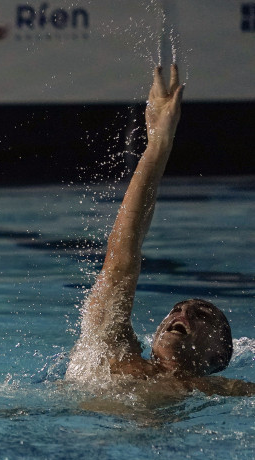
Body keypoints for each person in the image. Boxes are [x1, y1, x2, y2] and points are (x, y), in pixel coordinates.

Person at [65, 64, 253, 396]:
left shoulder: (222, 389)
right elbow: (122, 255)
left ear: (218, 356)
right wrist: (157, 145)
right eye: (178, 309)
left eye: (202, 314)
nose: (182, 312)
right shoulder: (111, 353)